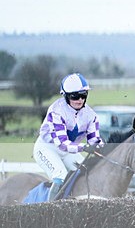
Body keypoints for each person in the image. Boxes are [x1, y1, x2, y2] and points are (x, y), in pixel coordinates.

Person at [34, 72, 104, 201]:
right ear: (65, 96)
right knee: (61, 176)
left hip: (70, 150)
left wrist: (101, 146)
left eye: (83, 95)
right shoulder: (56, 111)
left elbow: (94, 140)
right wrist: (85, 147)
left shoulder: (91, 115)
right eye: (75, 96)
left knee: (85, 174)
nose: (80, 100)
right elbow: (62, 143)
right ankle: (50, 211)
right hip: (47, 148)